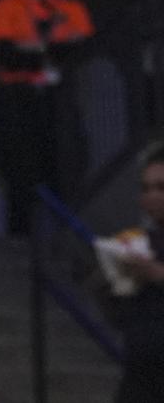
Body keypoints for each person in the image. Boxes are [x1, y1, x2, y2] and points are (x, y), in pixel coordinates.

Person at [0, 0, 94, 234]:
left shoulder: (71, 8)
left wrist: (33, 48)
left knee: (65, 175)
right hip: (20, 101)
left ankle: (64, 246)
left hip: (60, 101)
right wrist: (49, 48)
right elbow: (6, 55)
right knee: (21, 176)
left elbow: (81, 52)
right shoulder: (7, 7)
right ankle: (20, 245)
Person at [101, 144, 164, 403]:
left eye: (161, 187)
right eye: (146, 188)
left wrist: (156, 274)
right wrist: (116, 278)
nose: (152, 196)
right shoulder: (140, 241)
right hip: (142, 369)